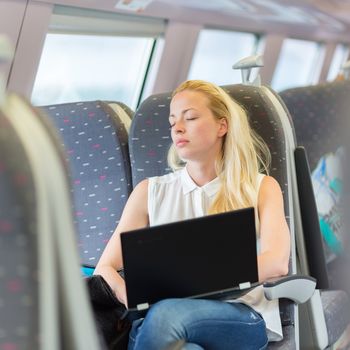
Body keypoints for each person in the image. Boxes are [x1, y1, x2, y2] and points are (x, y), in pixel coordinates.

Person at [94, 79, 291, 350]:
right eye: (173, 122)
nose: (178, 128)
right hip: (160, 321)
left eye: (191, 117)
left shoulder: (259, 187)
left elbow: (277, 262)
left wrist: (193, 279)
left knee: (167, 314)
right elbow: (104, 267)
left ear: (222, 126)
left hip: (238, 315)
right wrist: (125, 292)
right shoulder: (149, 192)